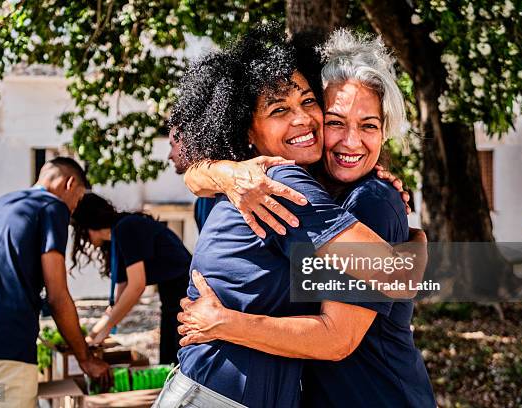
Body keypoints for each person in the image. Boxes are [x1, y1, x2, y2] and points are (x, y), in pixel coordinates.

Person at [152, 24, 427, 408]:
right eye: (335, 121)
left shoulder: (346, 195)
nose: (301, 120)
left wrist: (412, 237)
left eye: (308, 102)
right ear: (247, 128)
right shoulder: (276, 182)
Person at [0, 158, 110, 408]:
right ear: (69, 184)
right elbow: (57, 295)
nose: (73, 210)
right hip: (7, 349)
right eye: (78, 199)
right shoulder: (52, 207)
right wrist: (85, 358)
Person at [71, 192, 191, 364]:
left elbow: (136, 286)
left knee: (175, 359)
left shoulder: (125, 228)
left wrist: (104, 332)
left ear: (90, 225)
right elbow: (118, 302)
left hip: (185, 292)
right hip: (171, 294)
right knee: (167, 358)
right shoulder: (117, 238)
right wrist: (92, 336)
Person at [168, 126, 216, 231]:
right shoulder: (200, 205)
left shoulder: (232, 190)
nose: (169, 156)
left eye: (172, 145)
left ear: (189, 142)